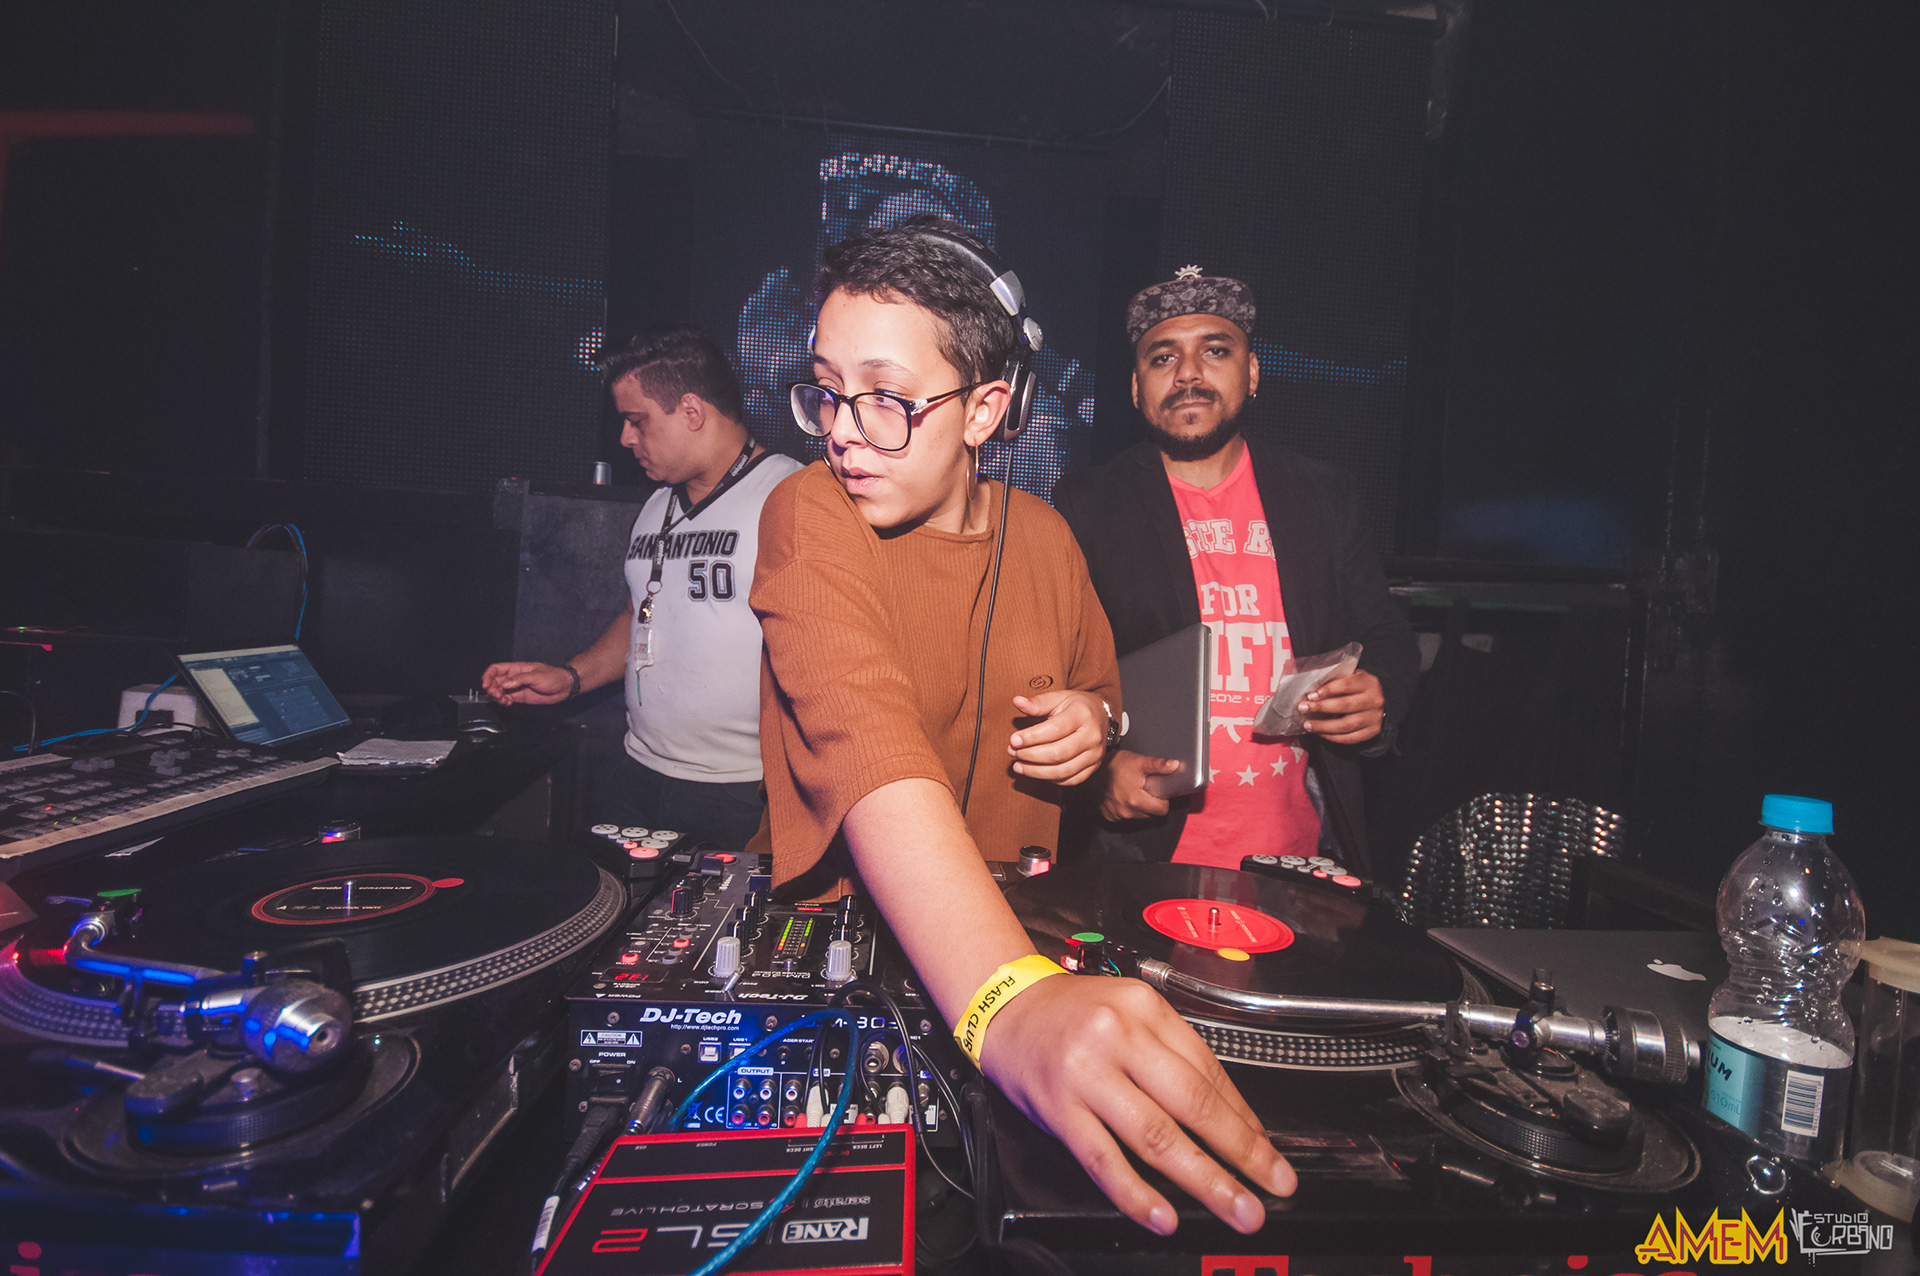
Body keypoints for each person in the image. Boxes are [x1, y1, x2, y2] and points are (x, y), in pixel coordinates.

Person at [749, 220, 1295, 1236]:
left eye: (886, 397)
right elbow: (866, 738)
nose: (843, 431)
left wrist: (1097, 722)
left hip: (1029, 942)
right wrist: (1005, 998)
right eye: (826, 390)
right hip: (880, 961)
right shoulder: (805, 510)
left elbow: (1107, 695)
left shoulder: (1045, 538)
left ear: (986, 410)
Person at [1053, 267, 1420, 878]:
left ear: (1251, 374)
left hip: (1299, 861)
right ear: (1136, 389)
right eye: (1163, 357)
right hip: (1142, 863)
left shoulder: (1321, 495)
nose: (1188, 374)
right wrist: (1097, 775)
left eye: (1215, 351)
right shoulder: (1085, 506)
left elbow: (1387, 633)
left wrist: (1379, 691)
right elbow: (1049, 670)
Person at [481, 327, 801, 852]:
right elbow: (639, 616)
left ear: (691, 410)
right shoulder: (657, 505)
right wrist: (571, 677)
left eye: (637, 420)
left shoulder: (790, 497)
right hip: (638, 775)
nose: (626, 439)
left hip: (742, 790)